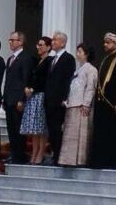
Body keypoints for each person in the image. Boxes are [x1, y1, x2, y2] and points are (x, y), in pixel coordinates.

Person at [90, 32, 116, 170]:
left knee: (112, 133)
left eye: (108, 42)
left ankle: (111, 160)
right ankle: (99, 160)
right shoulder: (105, 59)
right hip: (101, 102)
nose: (105, 45)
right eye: (105, 42)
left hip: (112, 104)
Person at [59, 43, 97, 167]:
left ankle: (80, 160)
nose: (77, 54)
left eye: (80, 51)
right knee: (70, 135)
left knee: (80, 135)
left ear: (87, 54)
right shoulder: (78, 69)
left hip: (81, 105)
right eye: (77, 51)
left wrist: (86, 104)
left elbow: (90, 88)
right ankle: (68, 160)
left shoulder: (91, 69)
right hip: (72, 104)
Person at [44, 31, 75, 164]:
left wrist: (64, 97)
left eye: (55, 40)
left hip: (59, 101)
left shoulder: (68, 59)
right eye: (52, 40)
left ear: (62, 43)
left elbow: (67, 79)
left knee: (58, 129)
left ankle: (59, 156)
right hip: (49, 100)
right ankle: (54, 154)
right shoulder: (51, 59)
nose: (53, 42)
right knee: (51, 129)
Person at [21, 36, 52, 165]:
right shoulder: (38, 61)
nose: (38, 47)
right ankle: (34, 151)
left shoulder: (49, 61)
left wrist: (33, 88)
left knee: (41, 126)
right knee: (34, 128)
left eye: (41, 45)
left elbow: (45, 80)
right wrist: (28, 88)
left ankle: (41, 152)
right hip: (33, 96)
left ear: (48, 47)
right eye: (38, 45)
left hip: (41, 95)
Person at [2, 31, 32, 164]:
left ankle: (20, 155)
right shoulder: (10, 59)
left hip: (18, 99)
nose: (10, 42)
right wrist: (4, 97)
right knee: (11, 129)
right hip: (9, 98)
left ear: (20, 42)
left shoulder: (25, 58)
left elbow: (25, 79)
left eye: (12, 40)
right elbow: (8, 80)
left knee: (18, 128)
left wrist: (22, 99)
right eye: (10, 40)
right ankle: (14, 153)